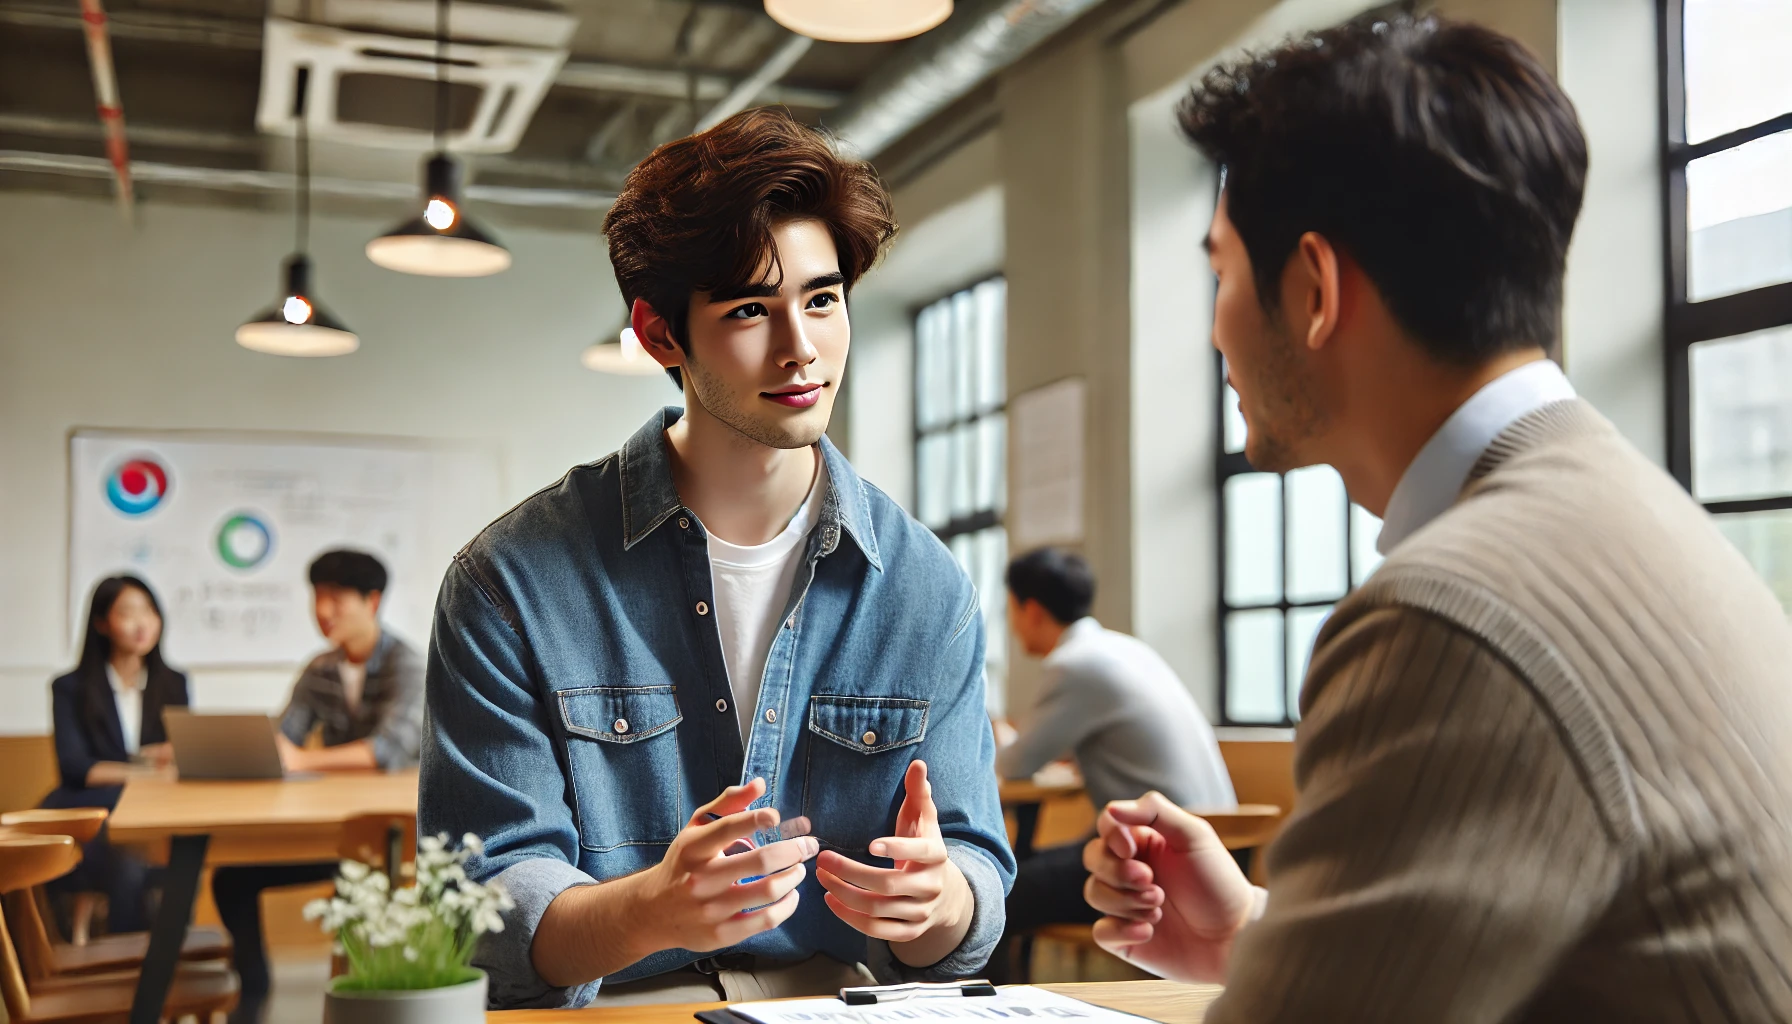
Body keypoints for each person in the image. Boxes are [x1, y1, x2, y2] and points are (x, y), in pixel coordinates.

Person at [1080, 13, 1792, 1022]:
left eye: (1220, 273)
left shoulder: (1450, 611)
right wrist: (1257, 933)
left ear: (1315, 289)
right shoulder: (1623, 509)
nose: (1212, 329)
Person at [419, 108, 1013, 1011]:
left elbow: (973, 875)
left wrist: (938, 900)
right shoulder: (511, 584)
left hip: (836, 1004)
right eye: (749, 310)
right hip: (618, 1005)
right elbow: (482, 913)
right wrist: (650, 910)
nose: (801, 347)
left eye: (822, 299)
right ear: (661, 335)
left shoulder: (924, 586)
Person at [988, 548, 1230, 980]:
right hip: (1222, 847)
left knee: (994, 892)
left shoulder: (1073, 665)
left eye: (1011, 610)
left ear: (1032, 610)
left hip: (1162, 861)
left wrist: (998, 729)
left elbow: (1015, 764)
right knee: (1023, 869)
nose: (1012, 623)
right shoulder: (1123, 648)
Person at [212, 548, 424, 1023]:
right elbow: (283, 737)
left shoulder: (407, 665)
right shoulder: (320, 669)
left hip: (394, 837)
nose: (323, 612)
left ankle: (360, 1006)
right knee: (231, 879)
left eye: (336, 599)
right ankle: (253, 991)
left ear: (372, 601)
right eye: (317, 599)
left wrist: (301, 759)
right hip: (332, 830)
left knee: (355, 891)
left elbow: (386, 751)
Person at [44, 575, 188, 937]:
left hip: (152, 809)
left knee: (185, 854)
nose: (141, 623)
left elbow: (178, 755)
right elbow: (76, 768)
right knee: (127, 861)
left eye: (149, 611)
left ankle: (166, 953)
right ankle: (132, 962)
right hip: (89, 810)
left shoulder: (173, 683)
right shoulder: (70, 688)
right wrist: (148, 769)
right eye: (127, 612)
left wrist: (162, 762)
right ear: (102, 623)